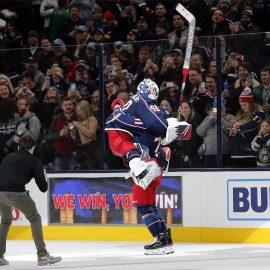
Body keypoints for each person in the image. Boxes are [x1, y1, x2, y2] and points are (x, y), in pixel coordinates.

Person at [105, 79, 191, 255]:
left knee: (143, 205)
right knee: (150, 205)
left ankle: (160, 240)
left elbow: (154, 128)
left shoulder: (140, 101)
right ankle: (165, 240)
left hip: (148, 164)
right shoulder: (159, 111)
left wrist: (166, 130)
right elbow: (165, 131)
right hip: (155, 163)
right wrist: (171, 126)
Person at [0, 135, 62, 266]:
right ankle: (43, 255)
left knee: (5, 221)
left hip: (0, 194)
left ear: (19, 146)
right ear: (33, 147)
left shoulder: (8, 157)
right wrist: (40, 174)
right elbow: (43, 188)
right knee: (35, 218)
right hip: (16, 193)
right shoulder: (34, 161)